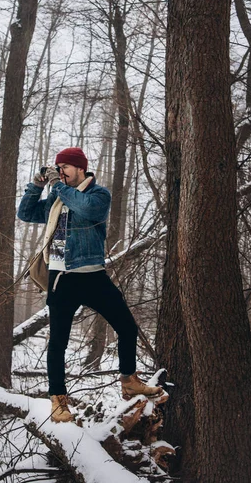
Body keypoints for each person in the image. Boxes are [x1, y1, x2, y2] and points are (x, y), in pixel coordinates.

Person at [17, 147, 167, 422]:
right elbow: (26, 213)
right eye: (57, 167)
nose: (60, 172)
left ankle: (129, 380)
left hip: (93, 275)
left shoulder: (98, 195)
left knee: (126, 327)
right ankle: (58, 402)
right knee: (58, 342)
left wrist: (56, 186)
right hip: (61, 278)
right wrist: (38, 184)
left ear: (80, 167)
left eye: (65, 167)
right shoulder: (57, 196)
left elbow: (85, 209)